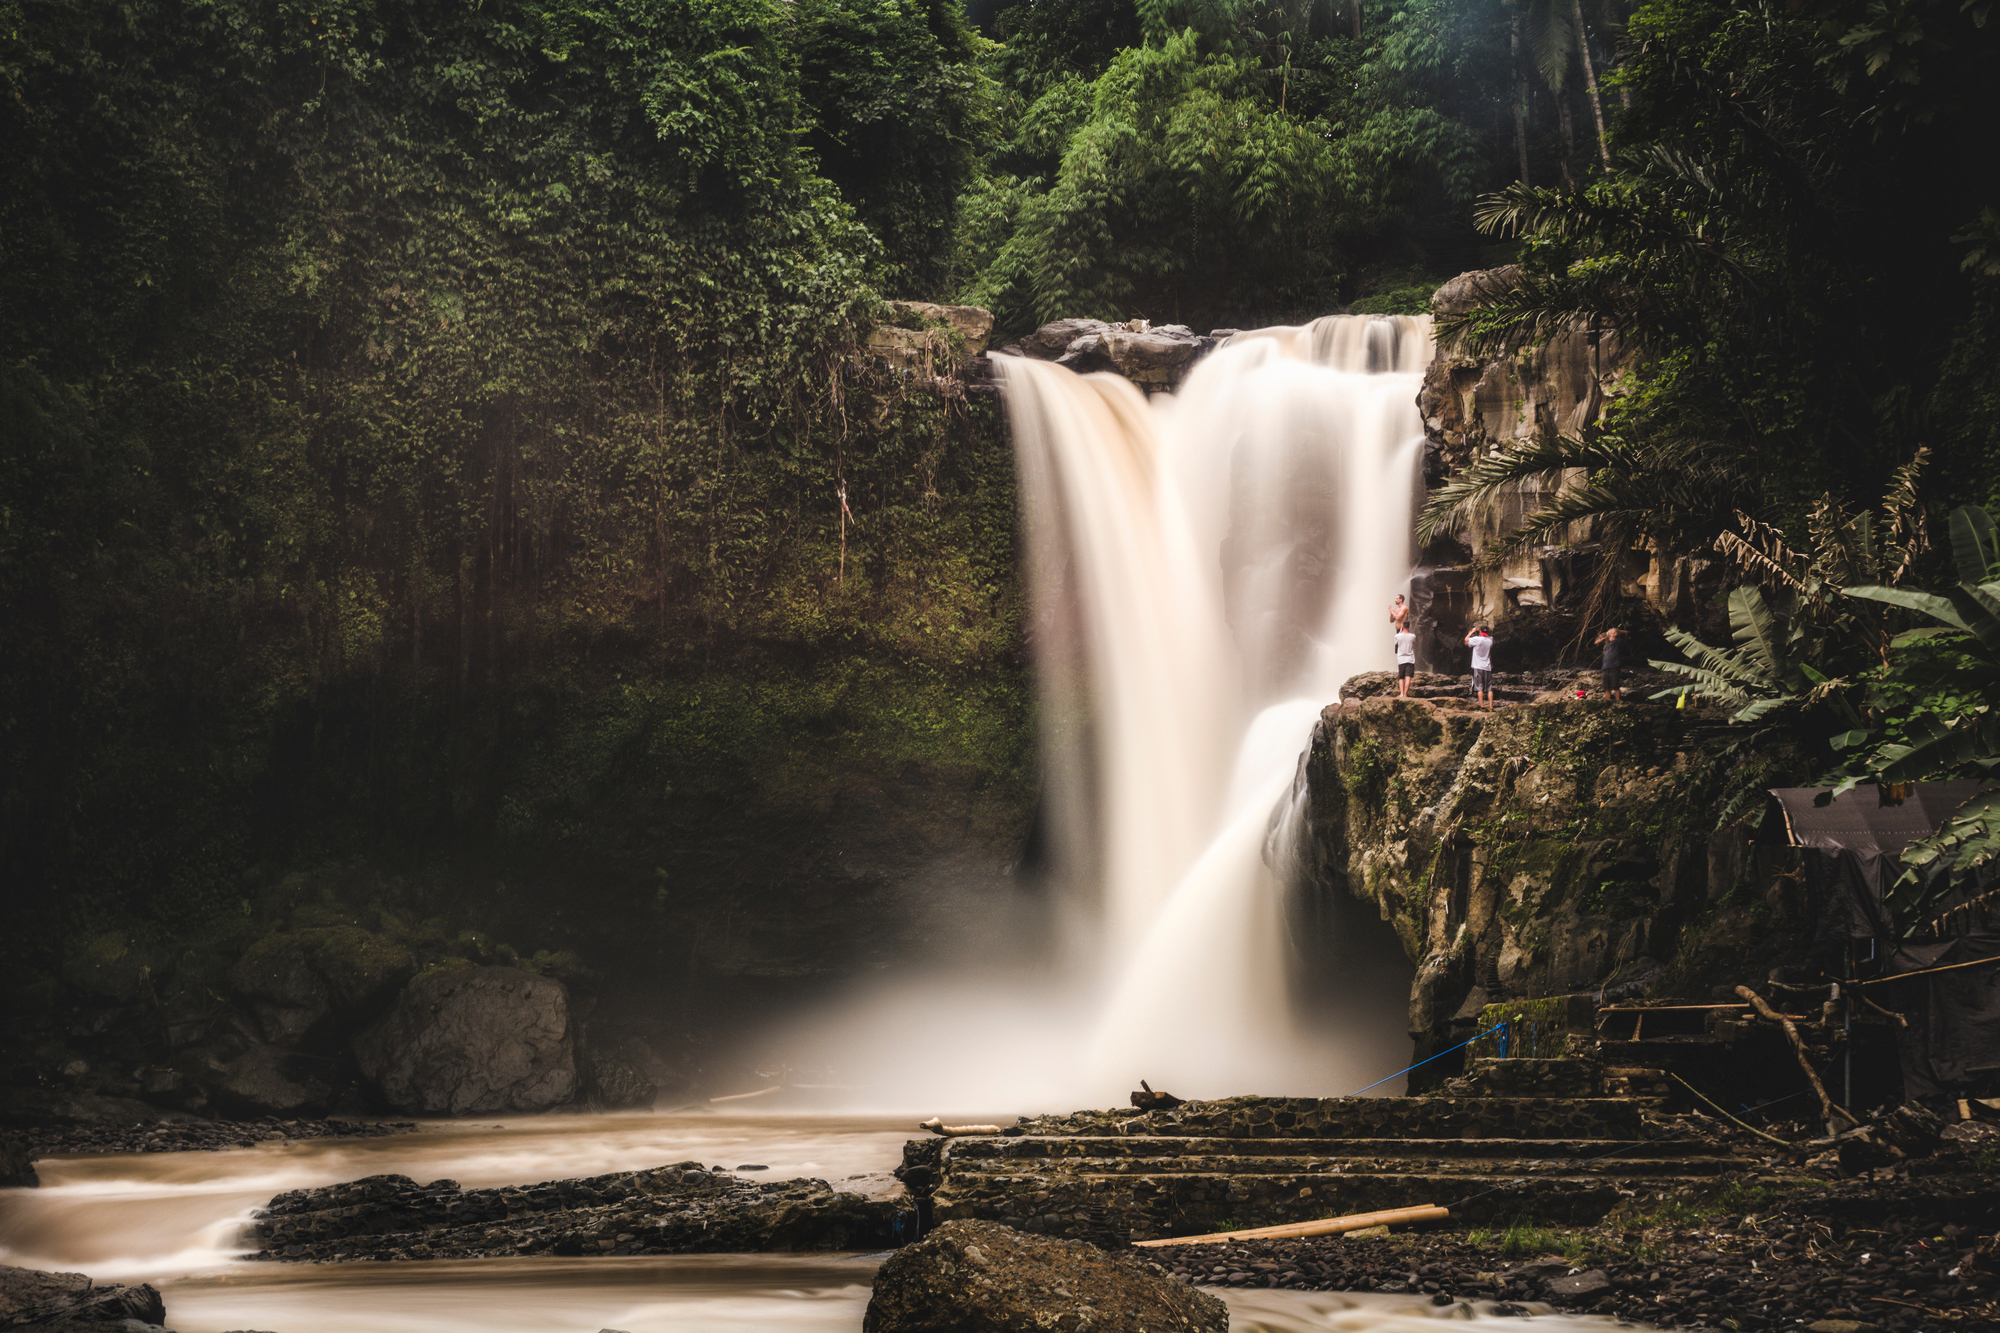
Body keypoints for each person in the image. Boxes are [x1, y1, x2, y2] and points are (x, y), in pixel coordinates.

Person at [1465, 624, 1494, 710]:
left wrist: (1472, 632)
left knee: (1479, 687)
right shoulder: (1490, 640)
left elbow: (1466, 641)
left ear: (1480, 632)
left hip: (1478, 667)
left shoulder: (1476, 640)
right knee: (1489, 688)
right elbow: (1485, 637)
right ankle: (1491, 708)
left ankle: (1482, 707)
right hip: (1487, 667)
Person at [1595, 626, 1625, 701]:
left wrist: (1617, 632)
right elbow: (1596, 642)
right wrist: (1604, 635)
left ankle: (1618, 701)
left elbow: (1627, 632)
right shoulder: (1606, 642)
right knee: (1606, 686)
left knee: (1615, 686)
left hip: (1615, 665)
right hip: (1605, 666)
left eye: (1612, 631)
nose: (1610, 632)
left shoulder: (1618, 641)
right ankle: (1608, 702)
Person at [1394, 623, 1417, 697]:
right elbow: (1413, 643)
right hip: (1410, 659)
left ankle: (1401, 693)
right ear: (1410, 626)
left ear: (1402, 626)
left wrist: (1400, 631)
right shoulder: (1413, 636)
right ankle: (1405, 694)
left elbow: (1396, 643)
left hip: (1401, 659)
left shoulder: (1397, 636)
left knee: (1401, 677)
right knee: (1408, 677)